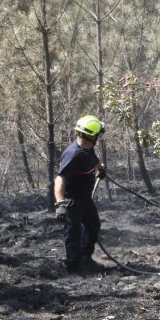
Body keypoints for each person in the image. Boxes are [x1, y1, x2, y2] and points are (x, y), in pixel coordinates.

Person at [54, 115, 107, 275]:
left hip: (85, 199)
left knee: (93, 227)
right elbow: (60, 179)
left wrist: (100, 169)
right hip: (72, 202)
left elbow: (94, 159)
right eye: (97, 134)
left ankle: (86, 258)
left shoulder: (88, 148)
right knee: (73, 235)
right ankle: (73, 269)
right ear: (92, 135)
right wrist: (60, 204)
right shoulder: (73, 155)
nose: (98, 137)